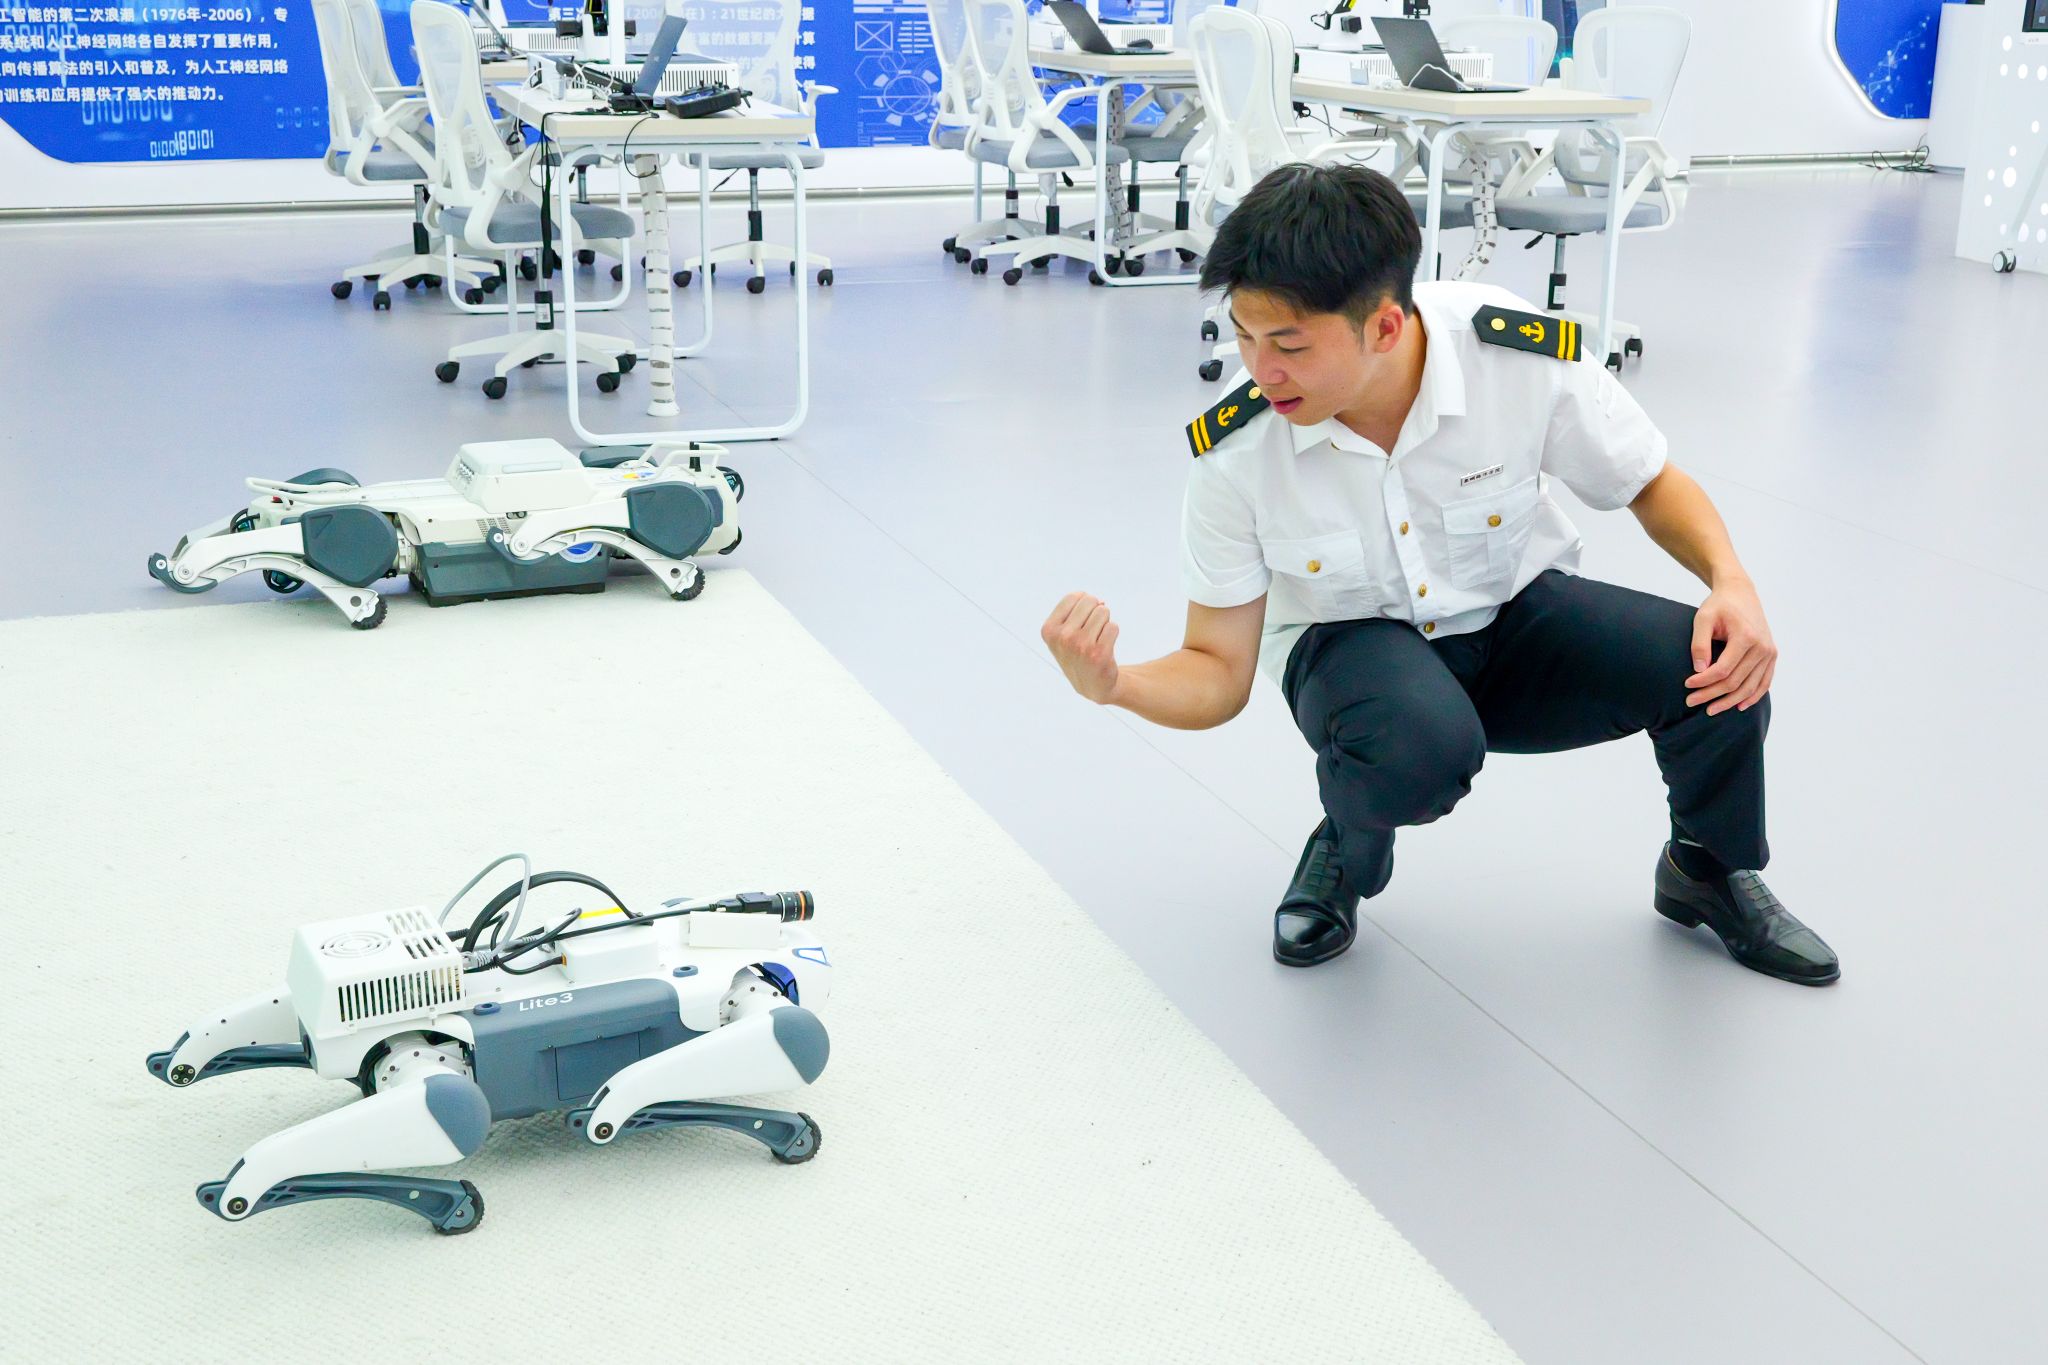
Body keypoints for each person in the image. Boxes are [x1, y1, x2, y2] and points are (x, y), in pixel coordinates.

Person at [1040, 163, 1837, 984]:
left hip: (1511, 613)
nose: (1259, 368)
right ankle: (1348, 839)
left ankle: (1705, 868)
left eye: (1289, 345)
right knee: (1412, 749)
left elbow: (1650, 481)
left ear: (1385, 326)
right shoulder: (1238, 450)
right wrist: (1116, 685)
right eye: (1244, 335)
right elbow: (1217, 667)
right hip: (1351, 651)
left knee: (1719, 665)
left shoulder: (1511, 356)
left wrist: (1731, 581)